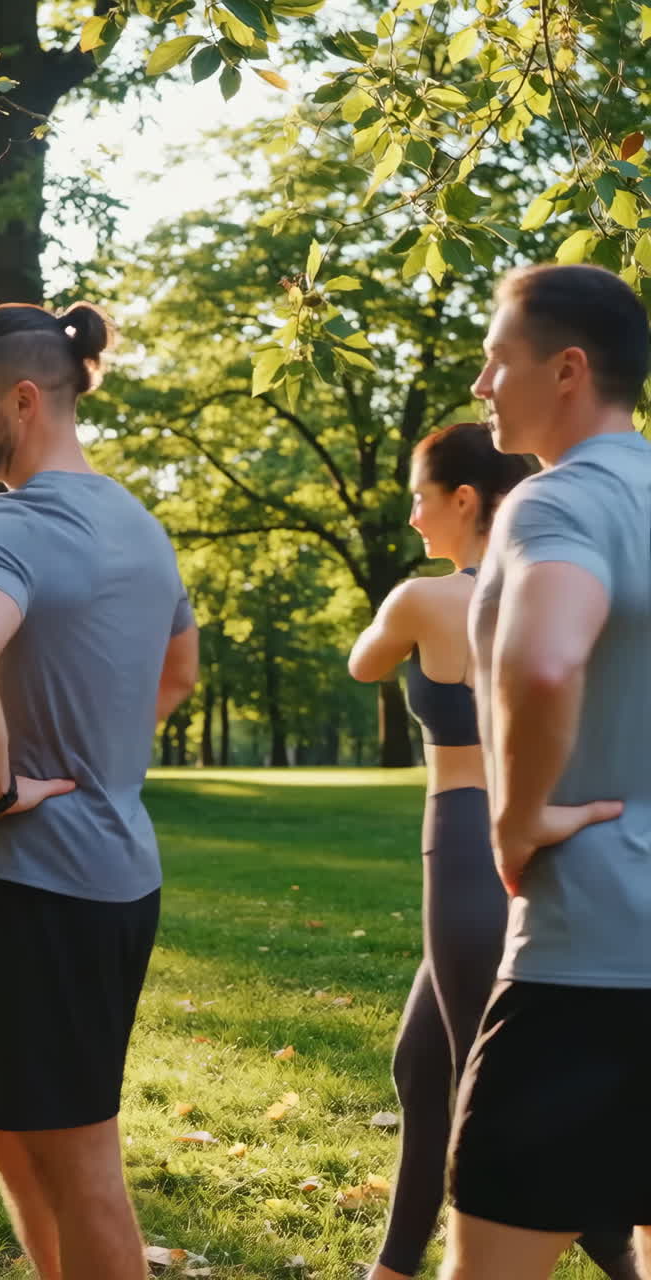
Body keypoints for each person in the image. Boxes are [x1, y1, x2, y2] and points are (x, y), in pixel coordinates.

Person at [0, 301, 198, 1280]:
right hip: (108, 876)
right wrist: (100, 757)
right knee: (3, 1118)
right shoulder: (139, 524)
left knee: (80, 1159)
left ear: (23, 399)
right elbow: (179, 673)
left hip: (51, 883)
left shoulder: (5, 524)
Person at [348, 421, 638, 1280]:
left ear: (465, 499)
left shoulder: (421, 600)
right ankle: (392, 1268)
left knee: (500, 1101)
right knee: (420, 1064)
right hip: (551, 832)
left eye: (420, 498)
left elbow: (365, 664)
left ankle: (622, 1259)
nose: (411, 517)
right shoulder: (563, 588)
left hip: (470, 846)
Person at [439, 262, 651, 1280]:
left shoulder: (554, 501)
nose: (482, 384)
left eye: (498, 359)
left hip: (586, 963)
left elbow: (545, 659)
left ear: (568, 370)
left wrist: (517, 818)